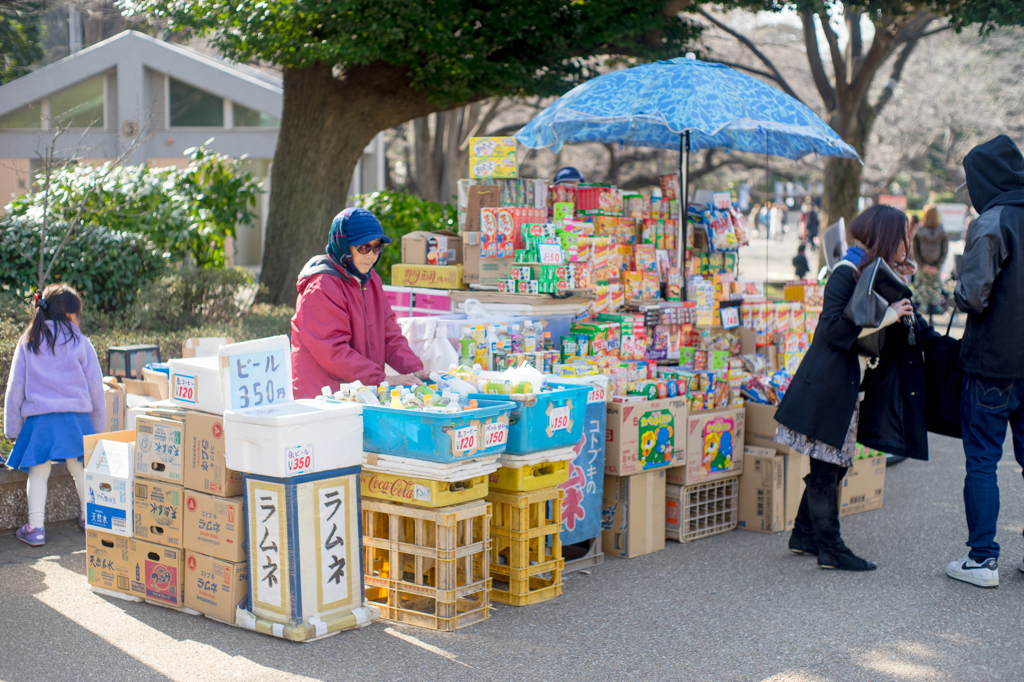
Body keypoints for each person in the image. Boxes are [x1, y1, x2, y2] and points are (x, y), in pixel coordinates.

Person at [774, 204, 936, 571]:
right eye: (901, 238)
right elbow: (833, 329)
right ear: (885, 237)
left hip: (843, 387)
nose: (905, 245)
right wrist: (888, 315)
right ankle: (830, 547)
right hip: (827, 385)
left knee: (833, 466)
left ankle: (804, 534)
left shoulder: (869, 271)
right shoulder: (846, 273)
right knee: (827, 469)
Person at [947, 135, 1024, 588]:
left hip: (993, 362)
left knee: (982, 461)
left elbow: (972, 296)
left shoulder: (992, 220)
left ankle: (982, 559)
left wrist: (956, 286)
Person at [290, 207, 428, 400]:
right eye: (363, 247)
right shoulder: (321, 287)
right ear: (344, 246)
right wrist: (381, 378)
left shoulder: (370, 280)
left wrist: (414, 369)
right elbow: (333, 351)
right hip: (322, 396)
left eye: (377, 247)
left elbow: (389, 334)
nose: (371, 255)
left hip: (359, 390)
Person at [3, 284, 103, 547]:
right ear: (71, 315)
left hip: (40, 421)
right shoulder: (81, 343)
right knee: (81, 468)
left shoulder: (28, 341)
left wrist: (12, 429)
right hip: (76, 419)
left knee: (38, 471)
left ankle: (35, 528)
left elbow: (15, 389)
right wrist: (98, 430)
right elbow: (96, 389)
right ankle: (91, 519)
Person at [911, 204, 949, 316]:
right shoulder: (942, 230)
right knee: (933, 295)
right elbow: (944, 250)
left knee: (918, 293)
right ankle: (931, 319)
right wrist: (937, 266)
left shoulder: (918, 230)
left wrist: (922, 265)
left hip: (922, 268)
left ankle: (915, 318)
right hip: (935, 269)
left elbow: (914, 250)